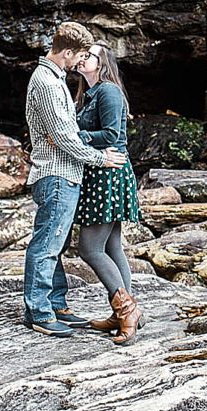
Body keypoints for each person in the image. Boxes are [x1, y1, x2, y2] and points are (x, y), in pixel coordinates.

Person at [23, 22, 127, 337]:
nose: (78, 63)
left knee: (56, 243)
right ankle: (39, 313)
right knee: (47, 245)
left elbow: (68, 135)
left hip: (65, 174)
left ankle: (57, 305)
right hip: (56, 174)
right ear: (67, 52)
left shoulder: (55, 80)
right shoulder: (47, 83)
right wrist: (100, 157)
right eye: (78, 56)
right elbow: (64, 139)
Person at [73, 40, 145, 346]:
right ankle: (121, 313)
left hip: (109, 174)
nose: (82, 57)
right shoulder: (89, 94)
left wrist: (75, 135)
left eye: (89, 55)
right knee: (113, 247)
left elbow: (113, 136)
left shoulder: (108, 91)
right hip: (101, 173)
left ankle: (127, 310)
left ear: (102, 64)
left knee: (89, 248)